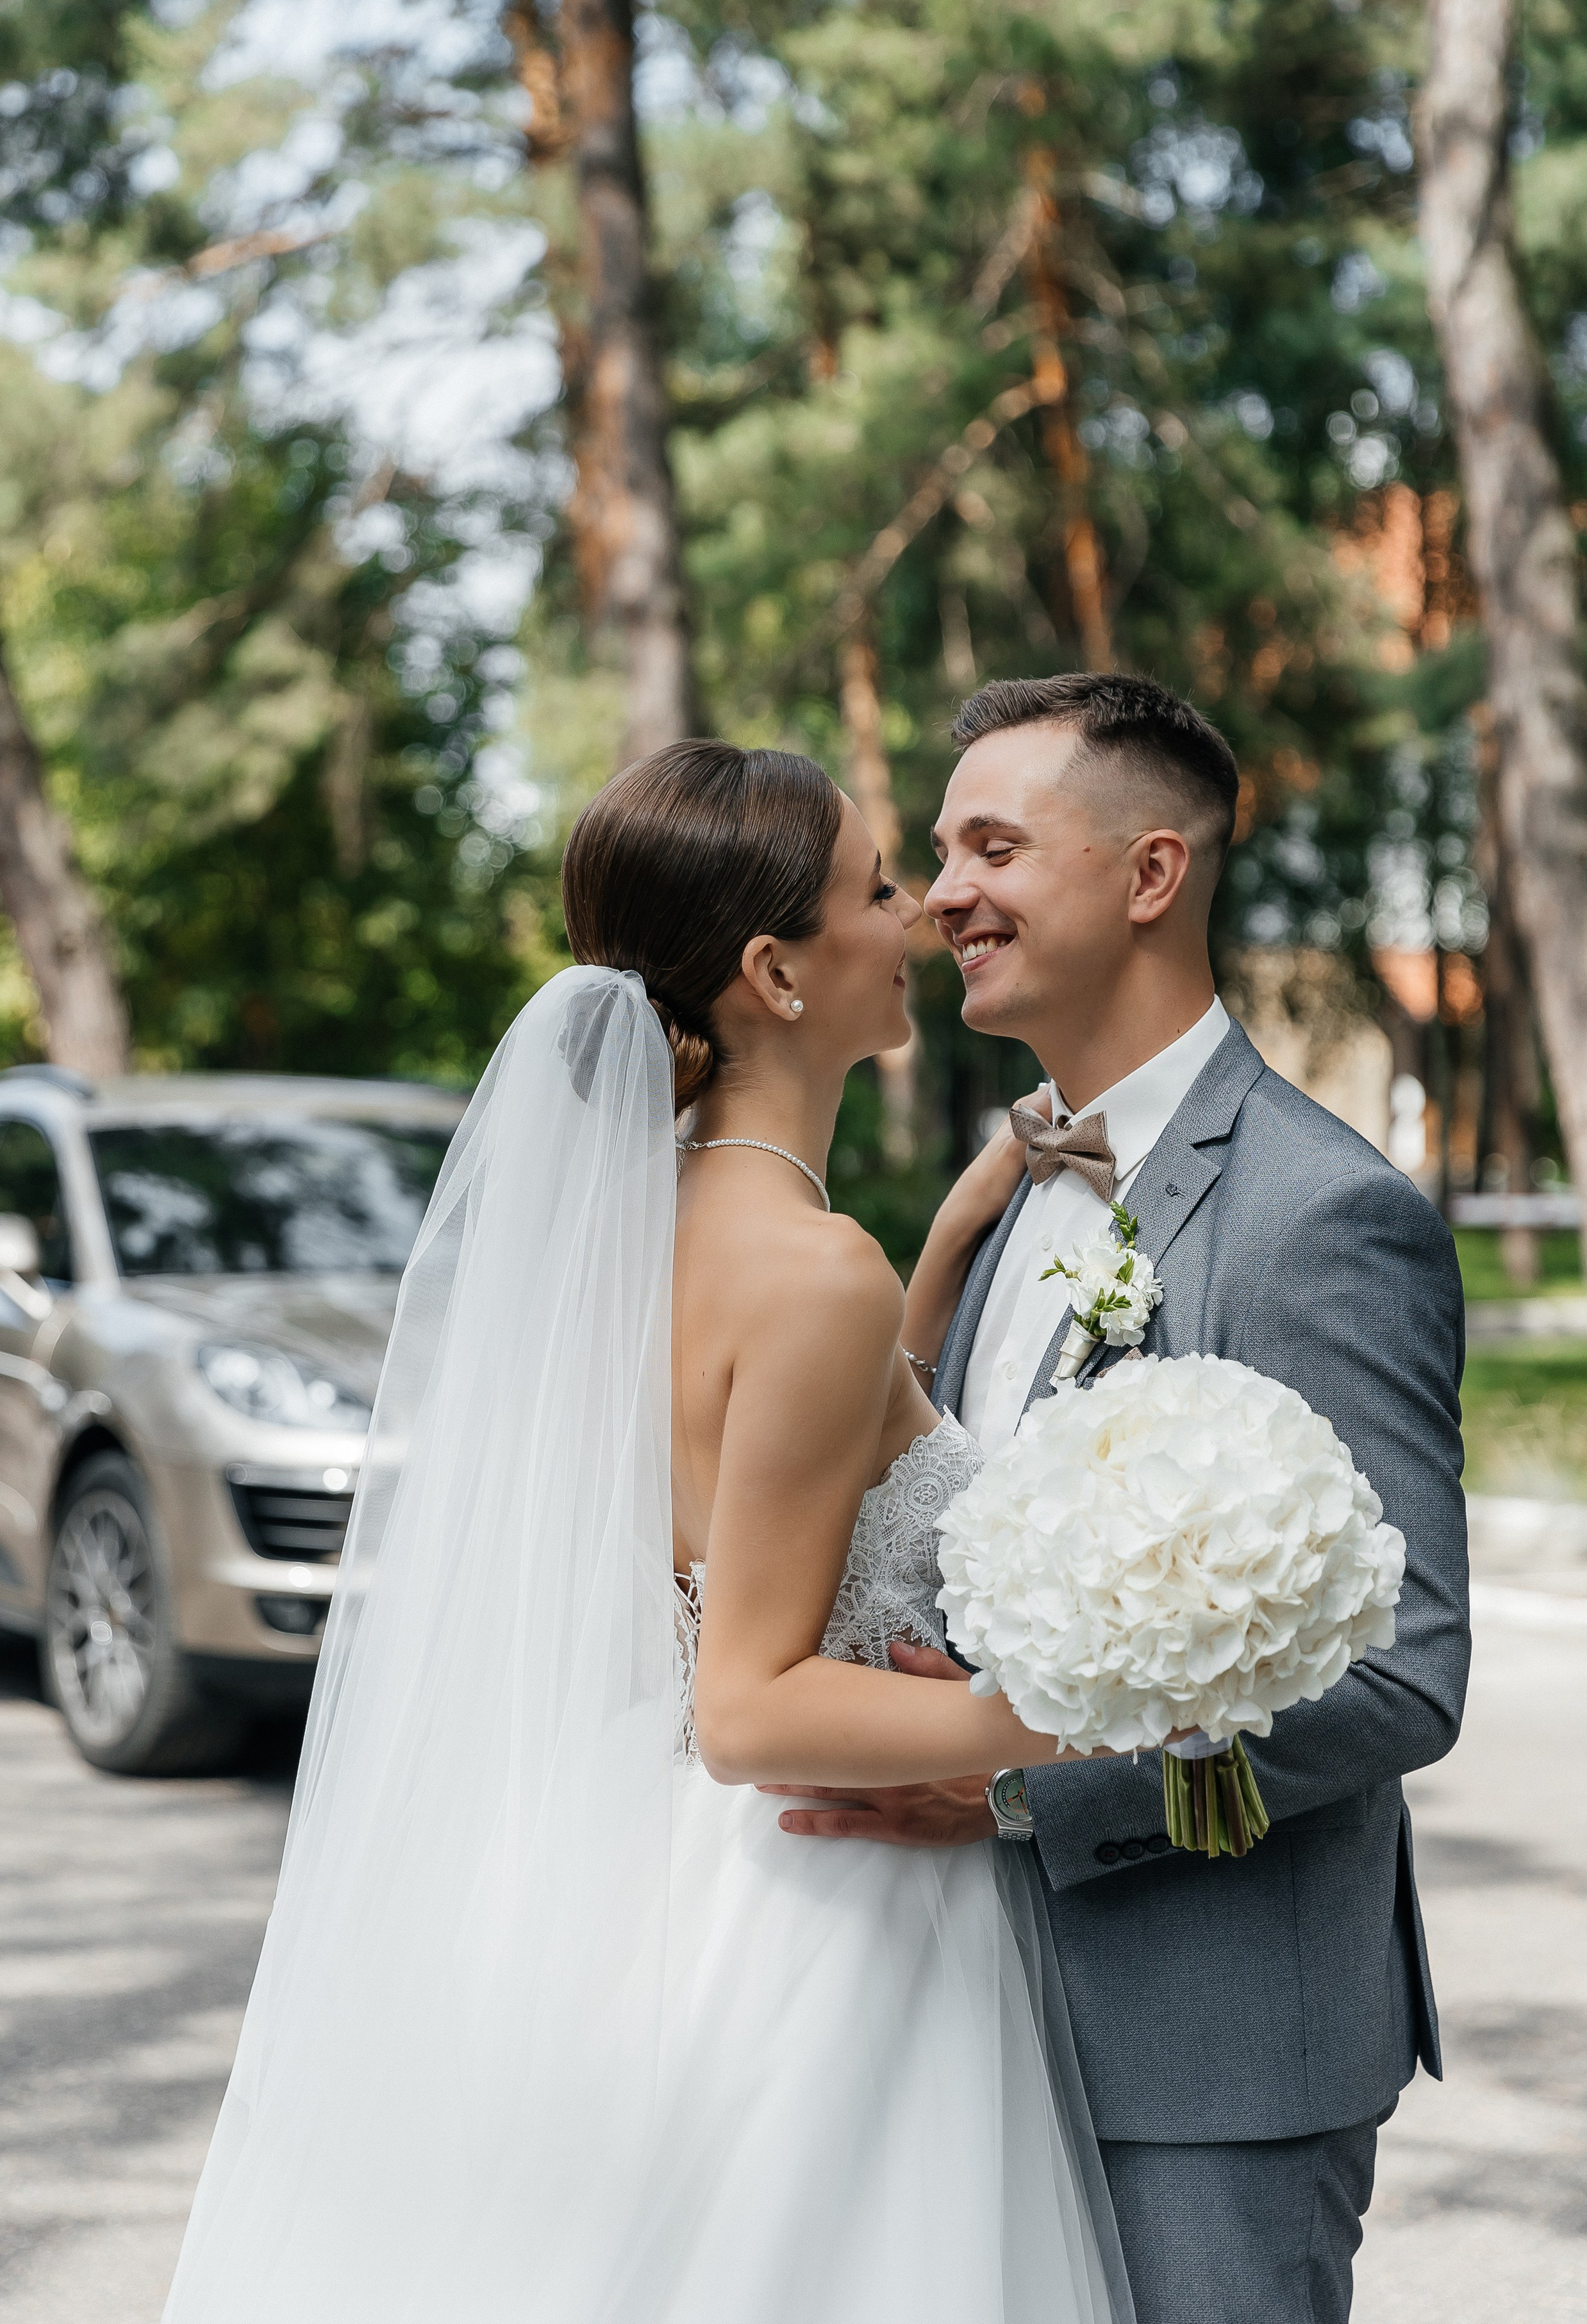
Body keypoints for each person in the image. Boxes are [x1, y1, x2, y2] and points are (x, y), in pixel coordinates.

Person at [162, 742, 1134, 2324]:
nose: (915, 912)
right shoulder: (813, 1272)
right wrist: (1074, 1720)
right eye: (874, 888)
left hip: (646, 1877)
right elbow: (743, 1704)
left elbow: (800, 1469)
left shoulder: (631, 1238)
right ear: (775, 973)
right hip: (824, 1915)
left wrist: (955, 1231)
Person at [767, 672, 1470, 2324]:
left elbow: (1401, 1673)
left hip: (1205, 2050)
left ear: (1150, 873)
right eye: (939, 854)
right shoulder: (1017, 1186)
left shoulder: (1318, 1215)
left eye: (992, 848)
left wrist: (1017, 1794)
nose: (941, 895)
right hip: (973, 2018)